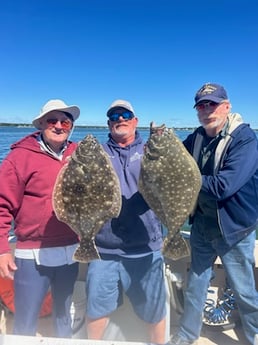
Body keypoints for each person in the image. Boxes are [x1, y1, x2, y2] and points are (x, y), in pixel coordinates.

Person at [170, 83, 258, 345]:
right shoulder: (196, 137)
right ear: (197, 111)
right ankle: (187, 334)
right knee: (196, 284)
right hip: (202, 225)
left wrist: (184, 180)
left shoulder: (245, 139)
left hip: (235, 228)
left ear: (227, 106)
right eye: (202, 105)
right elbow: (173, 158)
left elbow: (224, 186)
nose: (207, 110)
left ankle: (254, 334)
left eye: (213, 103)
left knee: (244, 289)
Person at [85, 99, 168, 345]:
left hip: (146, 246)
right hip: (104, 248)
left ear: (135, 121)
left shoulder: (151, 150)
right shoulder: (97, 153)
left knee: (154, 310)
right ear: (109, 124)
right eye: (114, 116)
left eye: (125, 115)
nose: (120, 119)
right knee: (96, 308)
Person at [0, 99, 81, 337]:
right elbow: (2, 204)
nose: (58, 126)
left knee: (64, 315)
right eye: (52, 120)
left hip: (71, 251)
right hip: (31, 256)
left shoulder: (79, 155)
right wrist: (3, 248)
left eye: (64, 122)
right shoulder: (19, 157)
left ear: (71, 127)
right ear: (41, 124)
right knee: (26, 320)